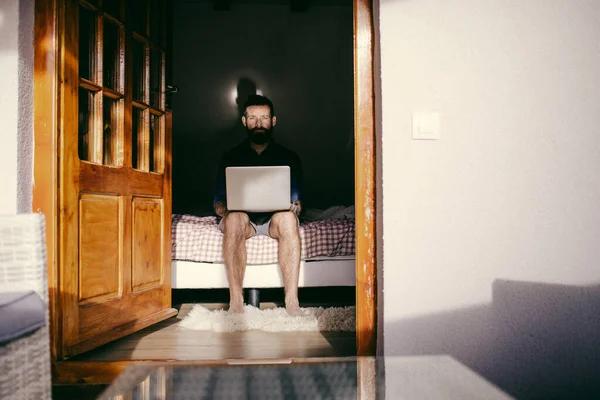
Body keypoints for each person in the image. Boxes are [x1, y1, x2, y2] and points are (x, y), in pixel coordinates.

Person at [214, 95, 304, 315]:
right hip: (244, 222)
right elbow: (217, 202)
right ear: (244, 122)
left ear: (273, 121)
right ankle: (236, 303)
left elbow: (298, 201)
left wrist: (294, 207)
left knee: (288, 218)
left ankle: (292, 302)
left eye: (264, 117)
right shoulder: (230, 157)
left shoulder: (289, 157)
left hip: (275, 220)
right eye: (252, 118)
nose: (258, 123)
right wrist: (227, 208)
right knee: (234, 218)